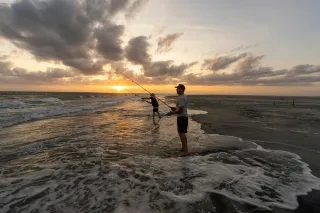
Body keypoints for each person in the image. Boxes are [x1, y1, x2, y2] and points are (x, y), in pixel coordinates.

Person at [167, 84, 188, 153]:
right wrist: (174, 108)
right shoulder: (181, 97)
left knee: (182, 133)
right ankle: (183, 148)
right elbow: (179, 108)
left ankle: (185, 150)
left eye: (178, 88)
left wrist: (172, 113)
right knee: (180, 132)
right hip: (181, 117)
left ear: (182, 89)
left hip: (182, 117)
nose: (177, 90)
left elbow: (180, 111)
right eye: (176, 89)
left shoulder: (182, 98)